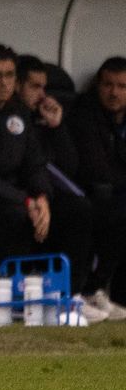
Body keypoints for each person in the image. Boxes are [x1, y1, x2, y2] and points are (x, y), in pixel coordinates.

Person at [0, 44, 103, 320]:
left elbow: (35, 163)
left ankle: (69, 296)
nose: (4, 82)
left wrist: (41, 197)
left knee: (78, 209)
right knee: (13, 214)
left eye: (10, 75)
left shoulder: (18, 113)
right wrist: (25, 200)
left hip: (19, 196)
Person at [69, 57, 126, 317]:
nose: (114, 93)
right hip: (91, 193)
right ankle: (93, 289)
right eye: (108, 85)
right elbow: (95, 167)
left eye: (122, 86)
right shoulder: (84, 112)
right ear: (98, 86)